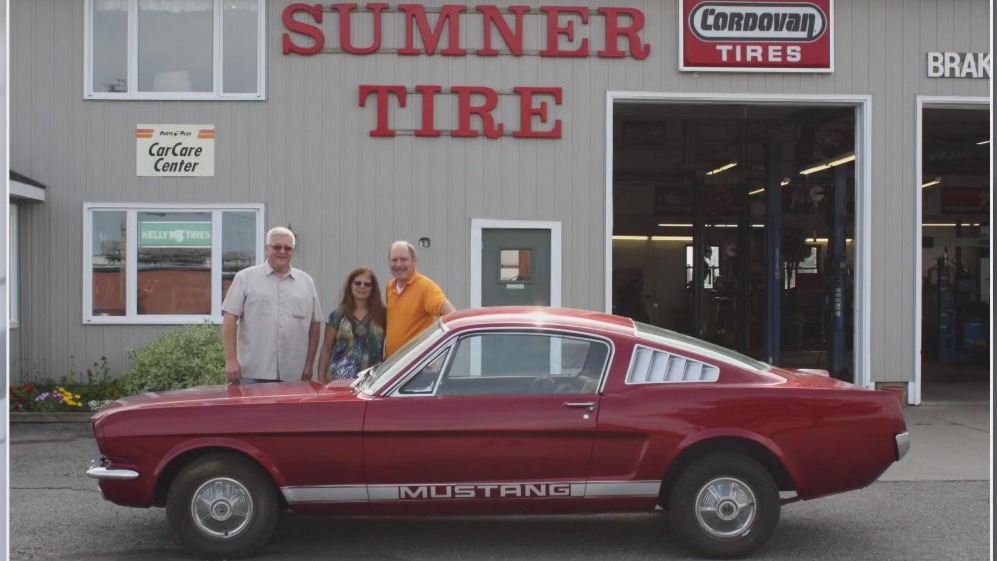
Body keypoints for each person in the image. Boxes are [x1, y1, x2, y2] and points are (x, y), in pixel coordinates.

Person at [221, 227, 322, 384]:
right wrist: (231, 360)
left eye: (288, 248)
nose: (282, 251)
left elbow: (314, 325)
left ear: (293, 252)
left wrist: (309, 365)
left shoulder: (306, 282)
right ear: (267, 249)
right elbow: (229, 318)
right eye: (277, 247)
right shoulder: (245, 278)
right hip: (253, 371)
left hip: (294, 373)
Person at [385, 240, 456, 357]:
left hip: (417, 368)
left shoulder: (426, 287)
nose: (398, 264)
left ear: (414, 261)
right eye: (394, 260)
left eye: (403, 259)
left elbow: (451, 315)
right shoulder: (390, 287)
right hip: (394, 368)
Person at [317, 266, 386, 381]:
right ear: (351, 286)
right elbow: (327, 348)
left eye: (367, 284)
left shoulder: (382, 314)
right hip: (338, 381)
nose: (362, 287)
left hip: (371, 382)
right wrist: (321, 380)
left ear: (373, 288)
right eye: (357, 283)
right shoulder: (337, 315)